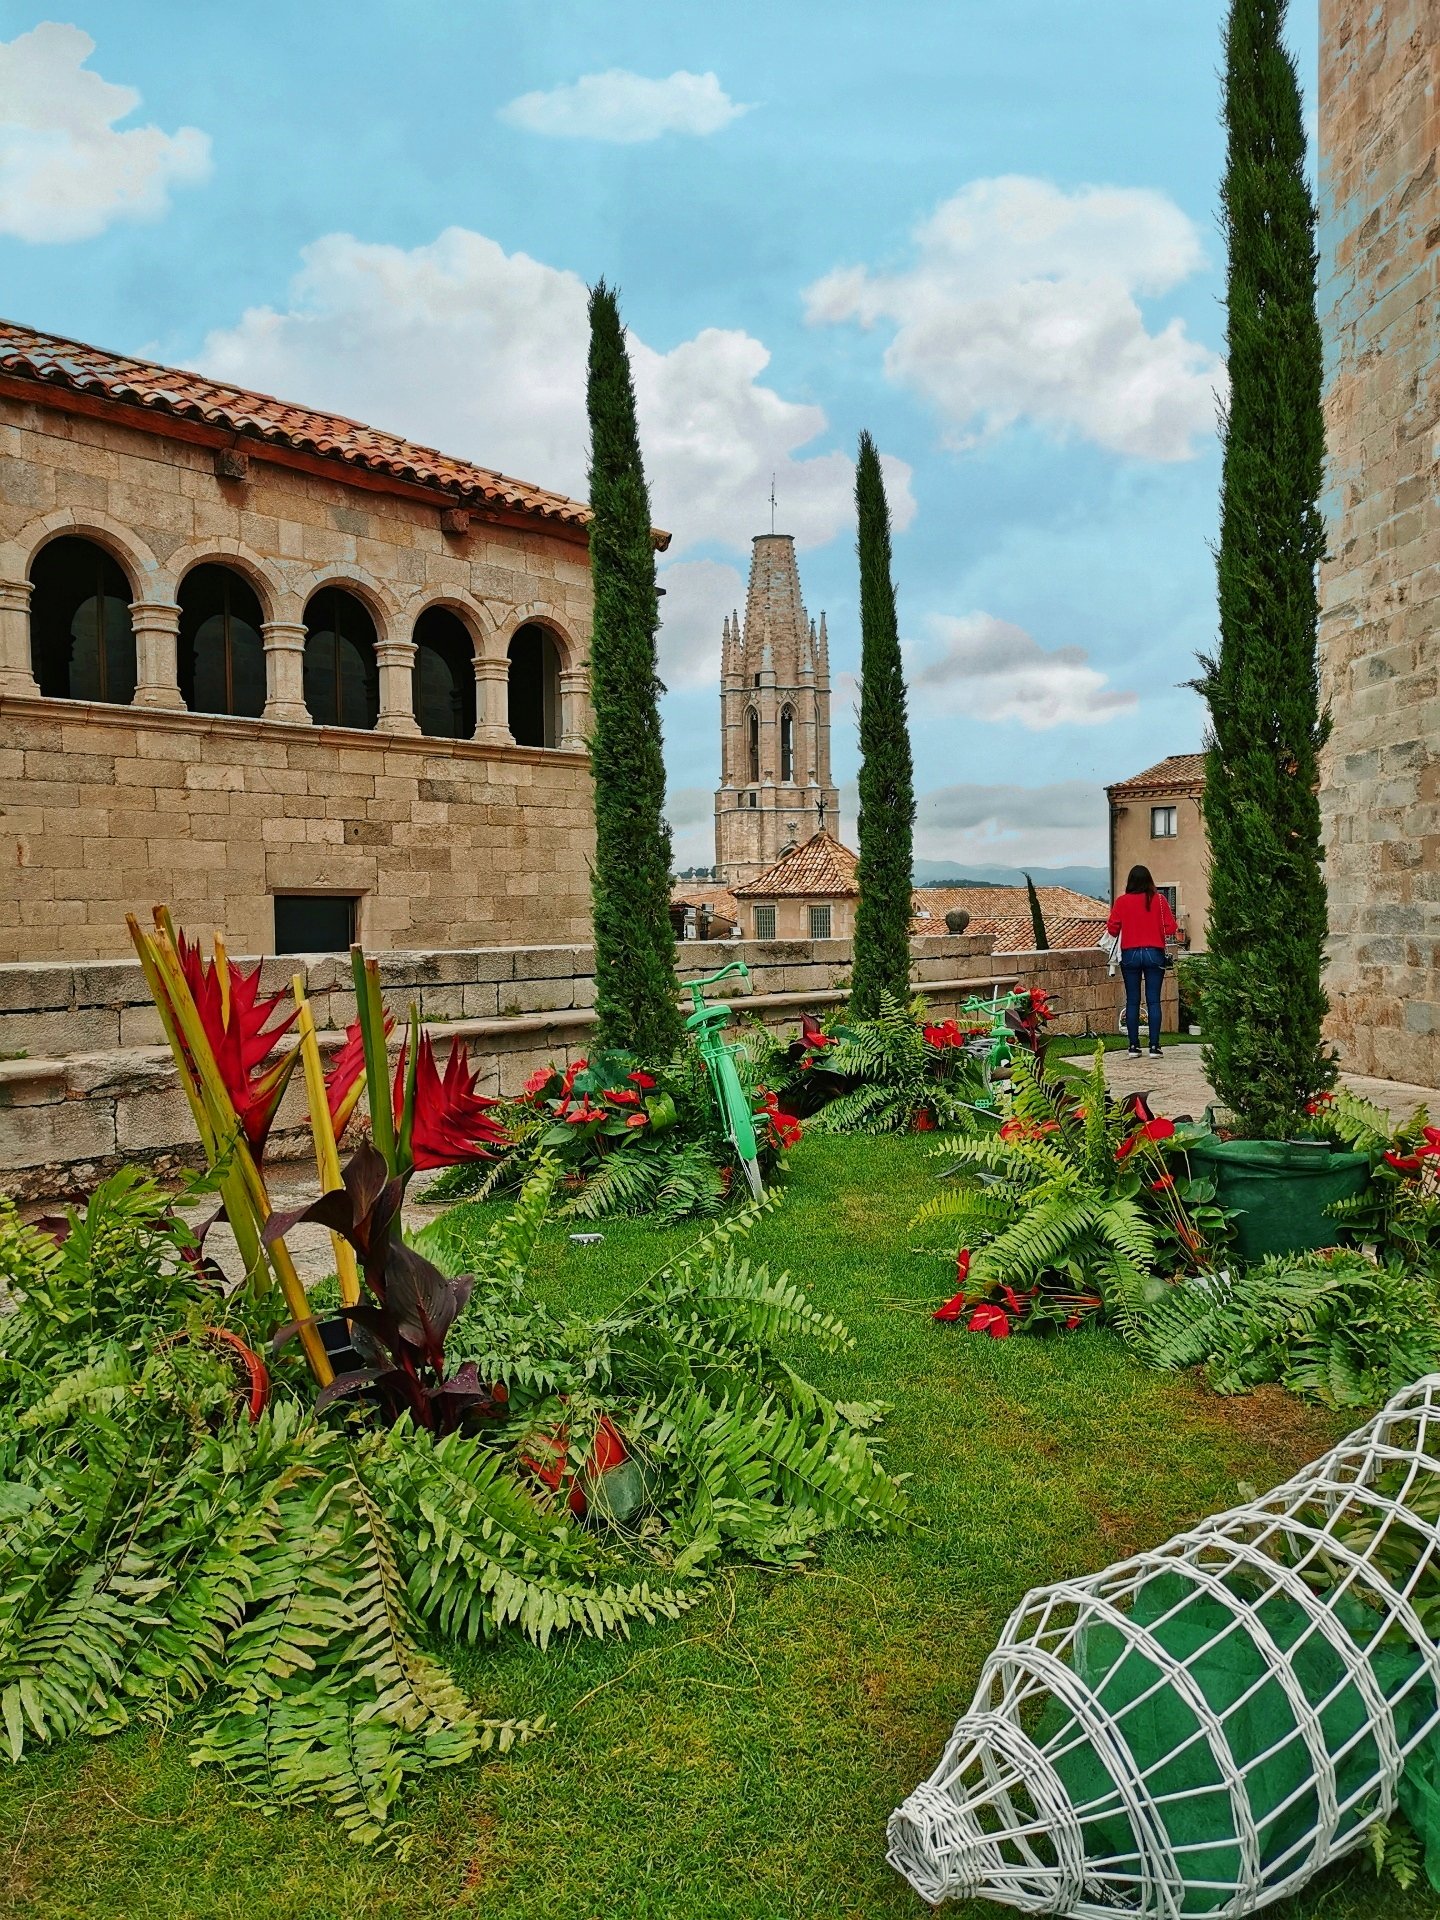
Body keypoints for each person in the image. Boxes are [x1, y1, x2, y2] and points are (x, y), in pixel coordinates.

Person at [1106, 864, 1178, 1058]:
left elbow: (1112, 930)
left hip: (1130, 954)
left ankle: (1133, 1046)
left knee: (1132, 1001)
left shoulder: (1122, 902)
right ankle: (1154, 1046)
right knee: (1153, 1000)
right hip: (1154, 953)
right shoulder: (1160, 901)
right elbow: (1171, 928)